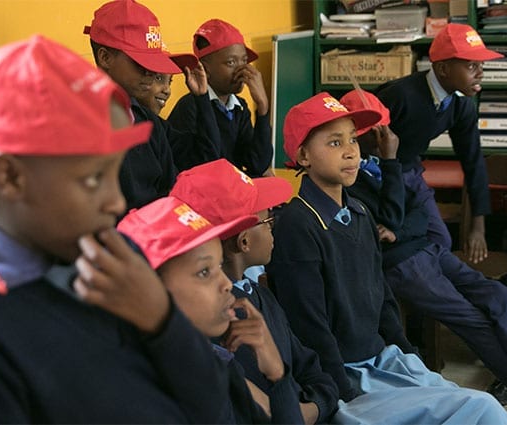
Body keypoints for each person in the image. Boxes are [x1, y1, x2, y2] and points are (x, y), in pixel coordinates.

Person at [0, 35, 231, 424]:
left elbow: (214, 406)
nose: (117, 202)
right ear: (10, 176)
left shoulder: (118, 259)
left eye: (116, 173)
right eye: (93, 179)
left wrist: (161, 322)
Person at [268, 92, 507, 424]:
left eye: (353, 140)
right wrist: (341, 395)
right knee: (478, 408)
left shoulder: (358, 212)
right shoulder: (299, 224)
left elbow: (382, 296)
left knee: (469, 402)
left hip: (384, 360)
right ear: (303, 155)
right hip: (346, 374)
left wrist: (407, 354)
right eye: (334, 143)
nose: (350, 151)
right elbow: (310, 326)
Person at [342, 89, 507, 407]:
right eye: (382, 129)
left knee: (498, 296)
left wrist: (398, 230)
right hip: (406, 265)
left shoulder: (381, 164)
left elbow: (417, 214)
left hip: (427, 248)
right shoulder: (354, 175)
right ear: (368, 134)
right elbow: (389, 216)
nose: (390, 135)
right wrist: (390, 162)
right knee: (477, 324)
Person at [169, 158, 340, 424]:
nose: (273, 226)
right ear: (244, 241)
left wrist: (313, 407)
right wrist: (299, 411)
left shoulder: (260, 296)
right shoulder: (213, 326)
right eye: (268, 218)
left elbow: (312, 370)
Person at [115, 195, 303, 424]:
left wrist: (277, 376)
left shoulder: (217, 361)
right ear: (149, 289)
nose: (225, 284)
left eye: (219, 266)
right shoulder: (138, 393)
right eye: (204, 272)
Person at [375, 23, 503, 264]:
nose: (480, 72)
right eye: (471, 65)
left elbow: (473, 160)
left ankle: (433, 286)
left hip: (410, 173)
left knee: (440, 241)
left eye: (481, 65)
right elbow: (361, 143)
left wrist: (478, 225)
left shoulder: (460, 105)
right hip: (378, 177)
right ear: (443, 69)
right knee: (395, 241)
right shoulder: (400, 95)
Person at [84, 0, 221, 209]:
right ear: (105, 58)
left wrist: (202, 99)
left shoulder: (148, 123)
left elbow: (202, 161)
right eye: (140, 63)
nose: (150, 72)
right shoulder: (78, 124)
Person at [168, 18, 273, 177]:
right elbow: (201, 164)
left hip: (235, 189)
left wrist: (263, 108)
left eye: (244, 61)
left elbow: (258, 164)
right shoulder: (190, 106)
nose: (242, 70)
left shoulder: (239, 107)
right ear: (204, 69)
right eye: (231, 63)